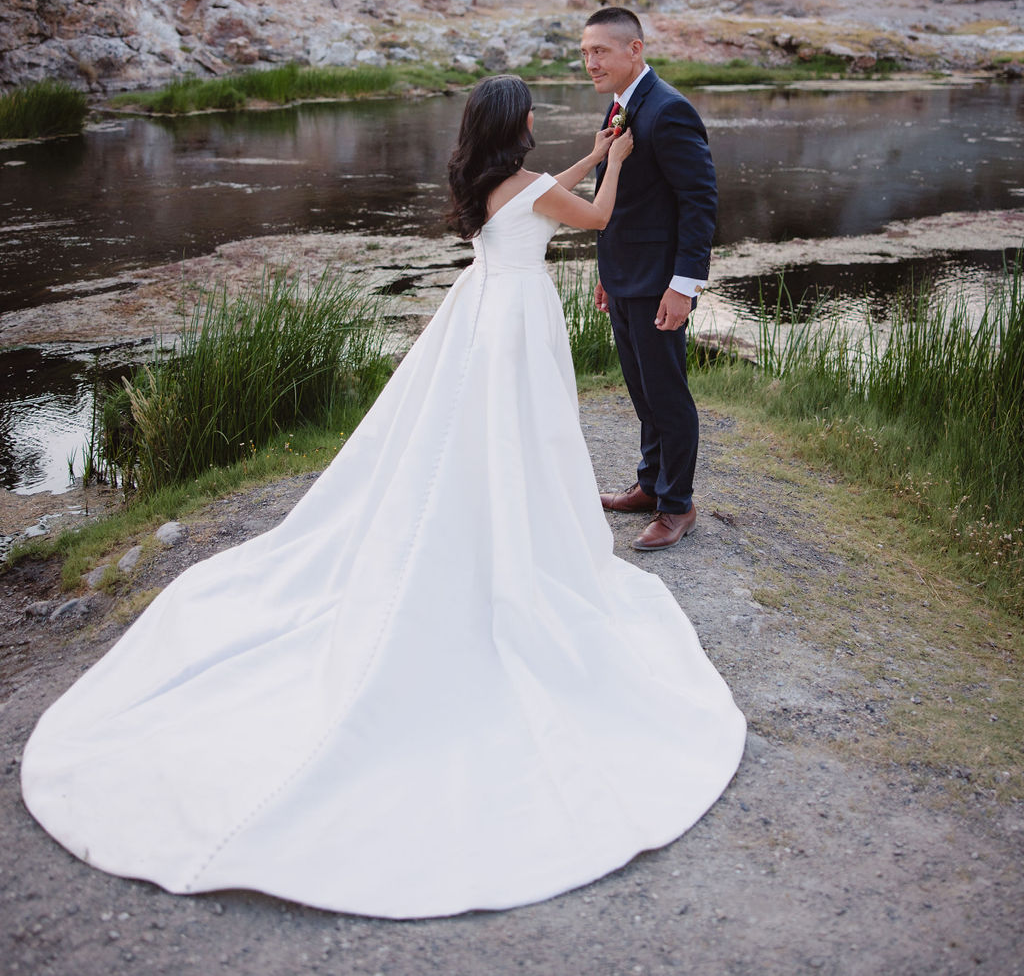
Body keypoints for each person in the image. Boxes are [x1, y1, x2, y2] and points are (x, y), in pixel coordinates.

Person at [21, 75, 743, 919]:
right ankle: (519, 530)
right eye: (535, 114)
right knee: (524, 428)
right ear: (518, 124)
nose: (547, 119)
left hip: (482, 306)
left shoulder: (485, 181)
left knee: (471, 428)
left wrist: (591, 151)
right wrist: (615, 162)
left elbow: (546, 190)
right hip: (517, 317)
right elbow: (597, 215)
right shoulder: (534, 189)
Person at [580, 8, 717, 551]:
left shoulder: (669, 110)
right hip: (626, 277)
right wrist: (607, 273)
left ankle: (677, 504)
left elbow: (699, 202)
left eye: (601, 51)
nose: (590, 62)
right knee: (641, 388)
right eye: (586, 52)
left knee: (667, 392)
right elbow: (625, 206)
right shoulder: (620, 107)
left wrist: (684, 285)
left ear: (634, 50)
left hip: (662, 282)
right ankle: (650, 483)